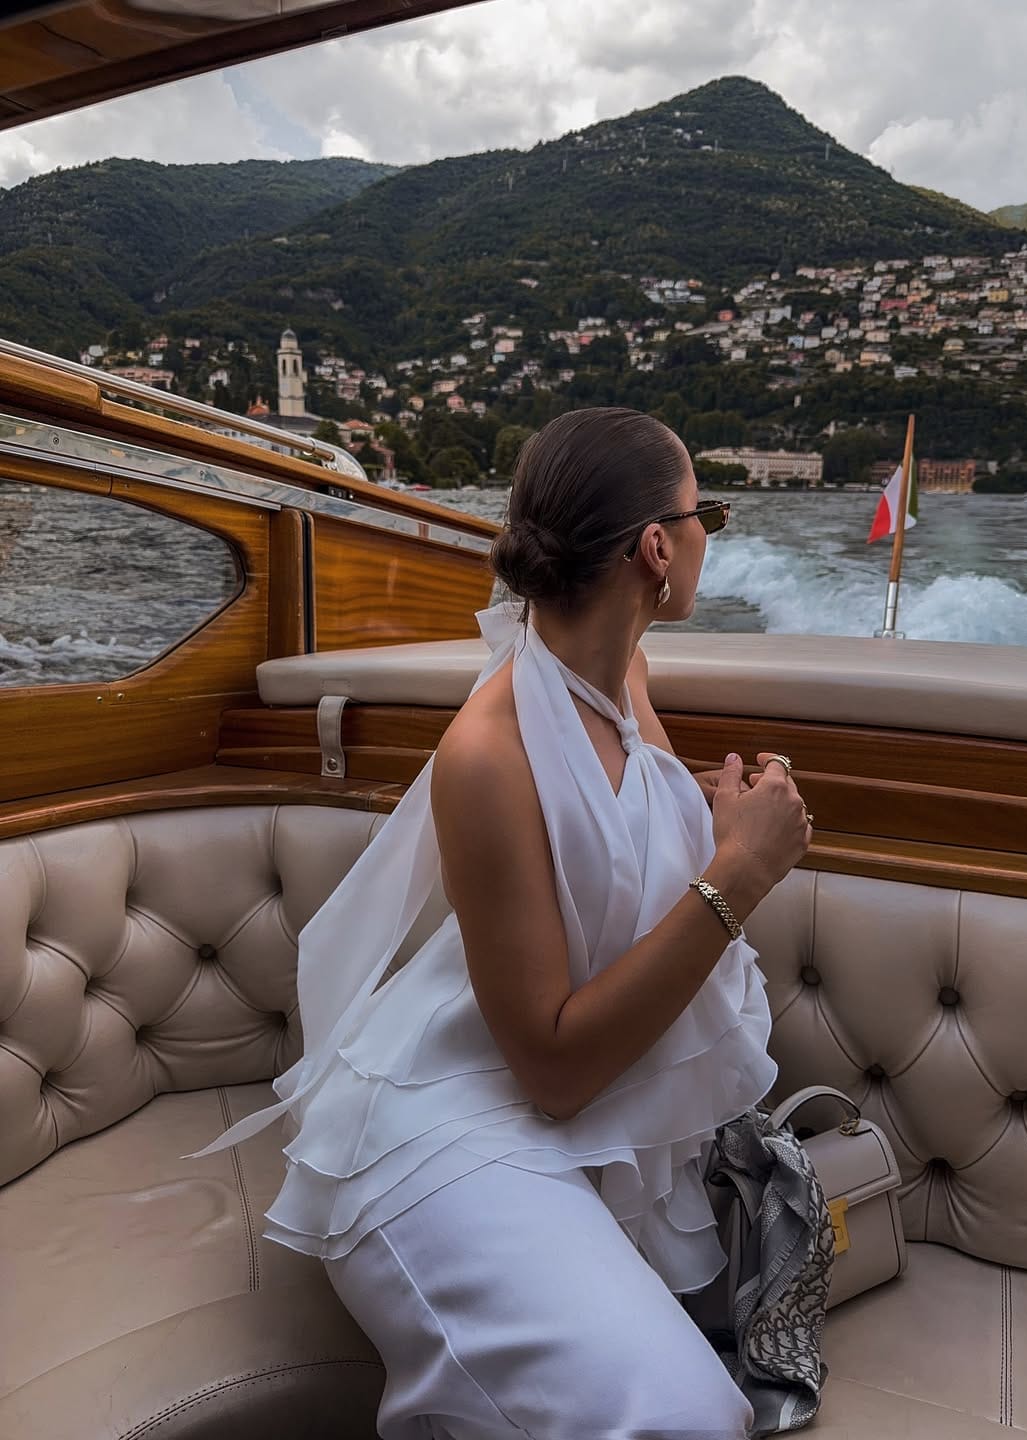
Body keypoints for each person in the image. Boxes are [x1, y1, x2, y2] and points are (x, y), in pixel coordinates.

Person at [188, 406, 812, 1439]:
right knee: (683, 1418)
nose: (710, 535)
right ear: (658, 547)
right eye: (712, 514)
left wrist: (712, 818)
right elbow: (555, 1069)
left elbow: (616, 842)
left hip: (576, 1125)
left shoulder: (623, 678)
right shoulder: (489, 750)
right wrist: (740, 875)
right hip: (453, 1125)